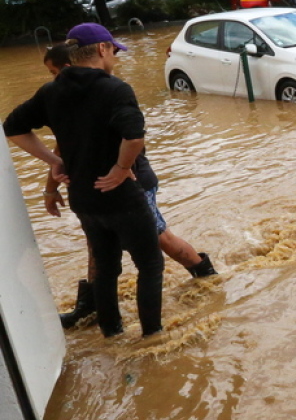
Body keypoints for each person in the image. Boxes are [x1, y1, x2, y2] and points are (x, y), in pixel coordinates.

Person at [4, 24, 165, 338]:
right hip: (120, 196)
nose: (115, 58)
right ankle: (152, 336)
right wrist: (120, 168)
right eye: (114, 51)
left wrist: (55, 163)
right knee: (150, 265)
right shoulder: (115, 89)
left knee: (105, 268)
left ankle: (112, 332)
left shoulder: (51, 90)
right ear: (102, 49)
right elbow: (134, 138)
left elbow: (13, 128)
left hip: (83, 198)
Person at [40, 44, 216, 330]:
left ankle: (203, 272)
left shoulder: (102, 92)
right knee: (99, 249)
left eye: (55, 71)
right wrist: (51, 188)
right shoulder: (72, 95)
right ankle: (93, 306)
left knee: (159, 240)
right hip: (100, 189)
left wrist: (121, 170)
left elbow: (131, 139)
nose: (54, 78)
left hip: (131, 186)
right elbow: (63, 148)